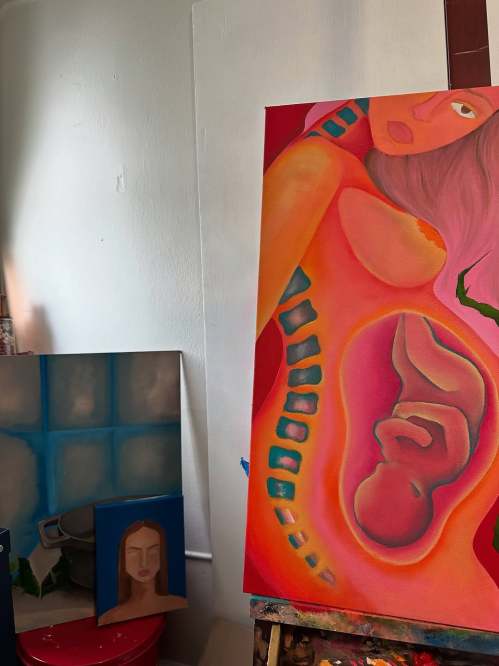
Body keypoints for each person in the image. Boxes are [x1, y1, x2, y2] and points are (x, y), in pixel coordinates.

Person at [246, 88, 499, 632]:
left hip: (396, 585)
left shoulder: (338, 183)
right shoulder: (323, 175)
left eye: (464, 107)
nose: (424, 109)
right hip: (350, 571)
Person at [99, 520, 187, 625]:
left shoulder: (178, 603)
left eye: (152, 551)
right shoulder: (108, 618)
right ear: (123, 559)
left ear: (161, 555)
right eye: (134, 552)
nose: (144, 563)